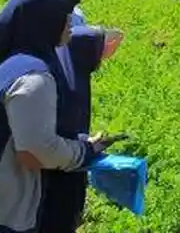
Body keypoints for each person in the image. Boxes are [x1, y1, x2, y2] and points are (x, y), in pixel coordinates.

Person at [0, 0, 108, 233]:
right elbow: (35, 152)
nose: (71, 21)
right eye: (64, 14)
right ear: (43, 21)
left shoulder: (13, 62)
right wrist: (84, 151)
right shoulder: (34, 77)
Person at [39, 25, 125, 232]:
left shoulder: (70, 71)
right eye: (95, 53)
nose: (99, 61)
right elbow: (53, 140)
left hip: (67, 165)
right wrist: (87, 147)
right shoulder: (62, 86)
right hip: (53, 176)